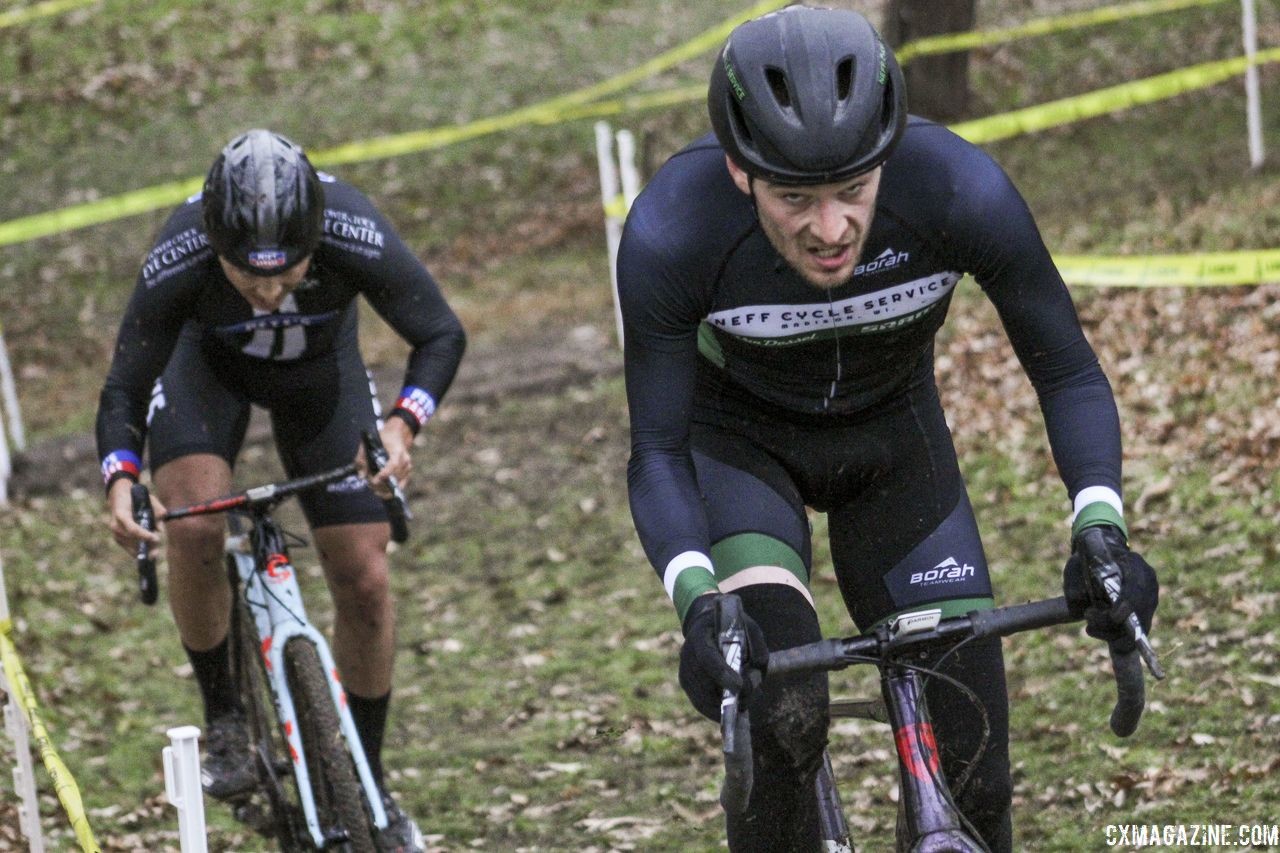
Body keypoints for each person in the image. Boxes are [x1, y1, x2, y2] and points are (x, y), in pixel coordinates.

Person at [617, 7, 1158, 851]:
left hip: (895, 449)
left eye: (853, 191)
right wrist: (697, 602)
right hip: (741, 454)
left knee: (975, 762)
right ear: (738, 170)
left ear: (890, 155)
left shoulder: (955, 189)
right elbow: (654, 450)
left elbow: (1066, 369)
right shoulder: (671, 232)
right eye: (794, 197)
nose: (829, 229)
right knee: (783, 712)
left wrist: (1102, 527)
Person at [97, 129, 465, 852]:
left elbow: (441, 333)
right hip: (204, 374)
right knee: (196, 526)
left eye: (288, 272)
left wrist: (401, 425)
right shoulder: (182, 249)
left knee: (364, 574)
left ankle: (365, 770)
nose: (268, 290)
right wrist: (120, 477)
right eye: (247, 275)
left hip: (319, 380)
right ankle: (226, 716)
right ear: (215, 242)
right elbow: (124, 384)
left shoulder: (352, 226)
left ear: (315, 235)